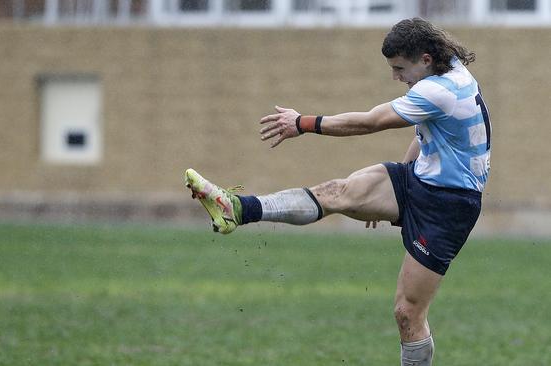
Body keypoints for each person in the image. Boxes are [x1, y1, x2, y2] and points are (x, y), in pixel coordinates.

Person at [185, 18, 490, 366]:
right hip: (420, 180)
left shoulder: (440, 90)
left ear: (424, 58)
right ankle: (236, 209)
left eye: (399, 69)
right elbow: (426, 134)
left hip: (450, 206)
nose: (396, 77)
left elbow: (371, 121)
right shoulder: (446, 67)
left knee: (407, 313)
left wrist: (303, 123)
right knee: (338, 192)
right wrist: (399, 192)